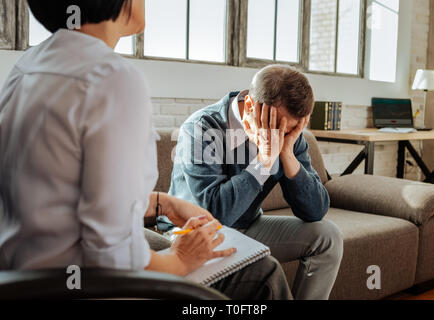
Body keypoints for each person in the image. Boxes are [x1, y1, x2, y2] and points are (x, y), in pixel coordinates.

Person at [0, 0, 292, 300]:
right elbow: (113, 261)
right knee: (263, 274)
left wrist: (159, 203)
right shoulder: (111, 78)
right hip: (84, 284)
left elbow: (58, 193)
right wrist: (179, 259)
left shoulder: (27, 67)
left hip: (24, 278)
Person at [169, 64, 344, 300]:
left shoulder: (289, 134)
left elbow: (316, 210)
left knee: (328, 235)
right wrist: (264, 160)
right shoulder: (201, 128)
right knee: (264, 267)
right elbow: (215, 214)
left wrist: (288, 155)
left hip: (249, 225)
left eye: (292, 130)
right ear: (251, 107)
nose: (284, 135)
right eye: (279, 127)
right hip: (194, 232)